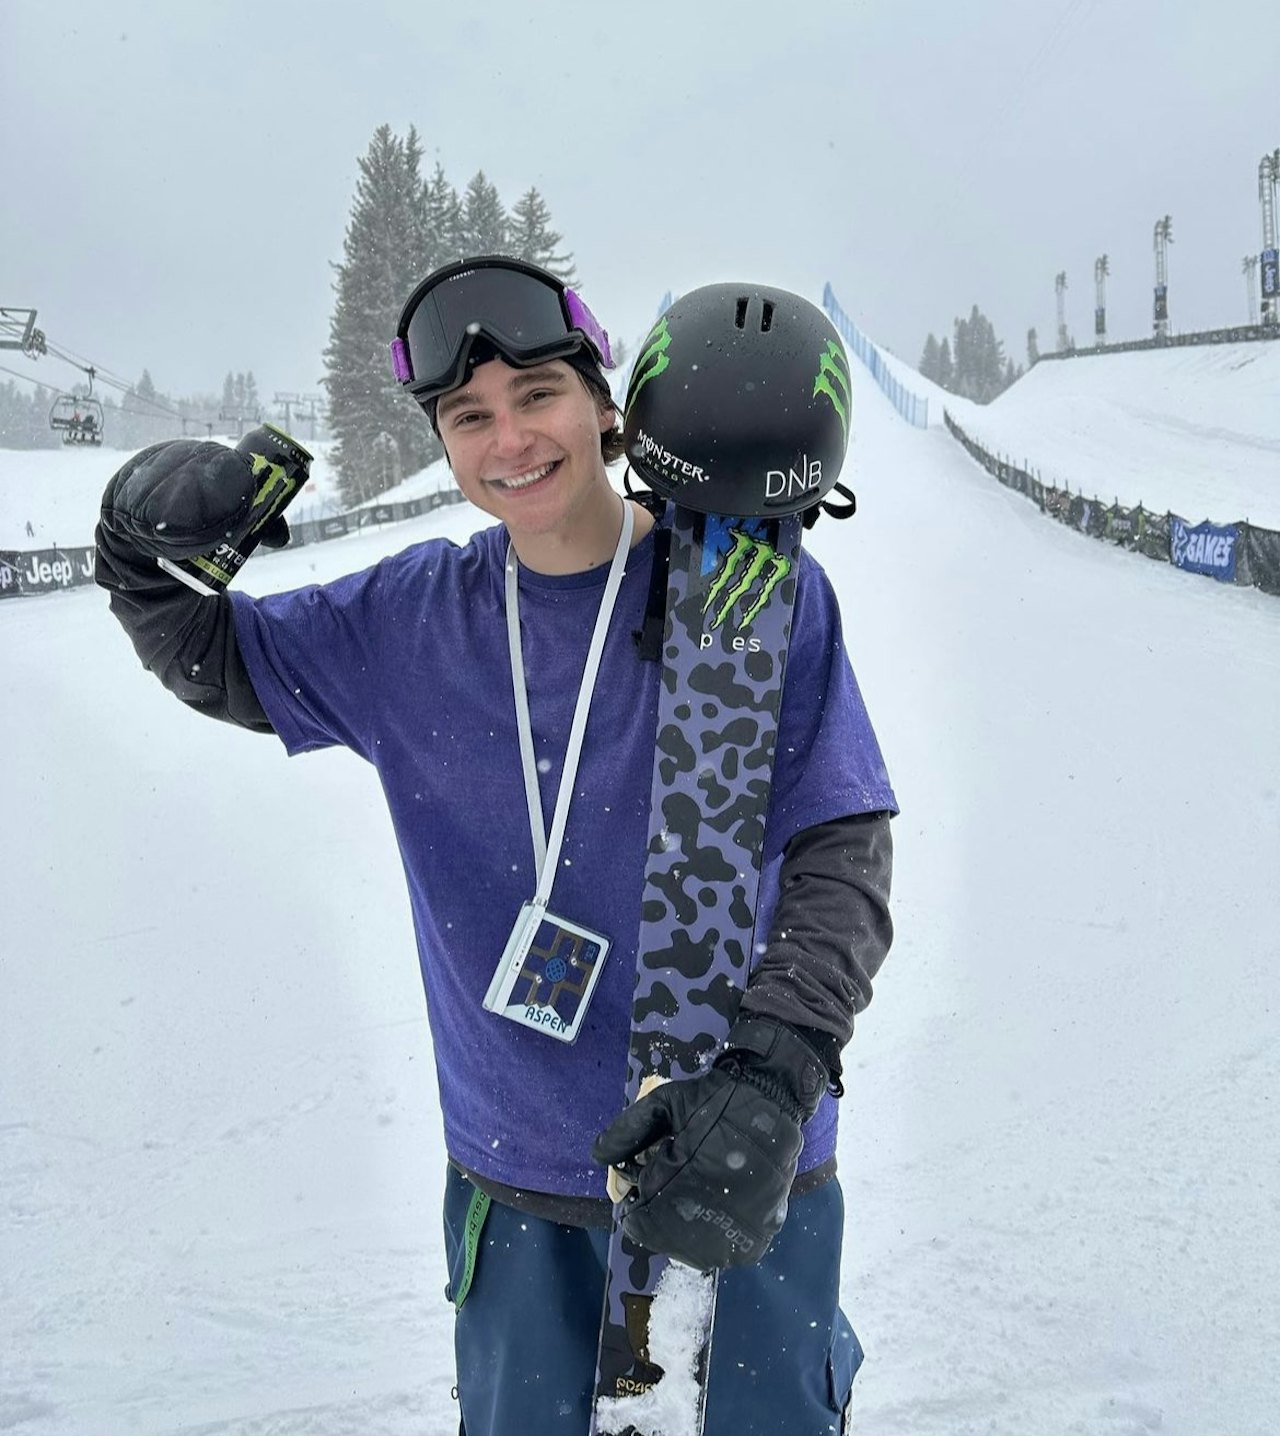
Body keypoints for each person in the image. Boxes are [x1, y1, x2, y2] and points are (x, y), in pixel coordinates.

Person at [94, 256, 897, 1434]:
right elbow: (221, 662)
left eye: (537, 393)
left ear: (605, 404)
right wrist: (141, 566)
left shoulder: (751, 590)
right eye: (468, 414)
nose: (509, 437)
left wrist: (774, 1069)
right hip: (519, 1173)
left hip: (735, 1159)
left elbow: (842, 850)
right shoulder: (403, 619)